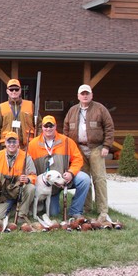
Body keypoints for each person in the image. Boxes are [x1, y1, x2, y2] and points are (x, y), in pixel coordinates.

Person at [64, 84, 114, 222]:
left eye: (87, 93)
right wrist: (68, 149)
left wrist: (106, 146)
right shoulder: (72, 111)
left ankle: (102, 210)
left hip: (96, 148)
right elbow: (66, 130)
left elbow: (109, 128)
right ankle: (86, 207)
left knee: (99, 179)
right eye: (82, 93)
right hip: (78, 150)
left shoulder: (100, 109)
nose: (85, 96)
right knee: (84, 180)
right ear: (78, 96)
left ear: (91, 95)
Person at [27, 115, 91, 218]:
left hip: (64, 179)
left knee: (85, 179)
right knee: (53, 213)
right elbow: (27, 164)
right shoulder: (33, 144)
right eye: (45, 126)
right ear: (42, 127)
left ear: (55, 126)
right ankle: (42, 202)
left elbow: (78, 159)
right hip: (46, 184)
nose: (48, 129)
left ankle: (75, 211)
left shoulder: (66, 141)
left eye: (51, 126)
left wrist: (71, 173)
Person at [0, 132, 36, 223]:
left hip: (19, 189)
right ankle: (13, 208)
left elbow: (34, 175)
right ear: (5, 143)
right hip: (4, 193)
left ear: (18, 143)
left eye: (14, 142)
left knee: (31, 188)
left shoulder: (26, 156)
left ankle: (21, 214)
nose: (11, 144)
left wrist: (28, 179)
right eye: (9, 142)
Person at [0, 79, 41, 152]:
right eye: (11, 89)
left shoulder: (30, 105)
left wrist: (38, 141)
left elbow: (39, 124)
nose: (14, 91)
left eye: (16, 89)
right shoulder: (2, 107)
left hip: (28, 147)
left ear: (20, 90)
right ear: (7, 91)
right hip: (8, 147)